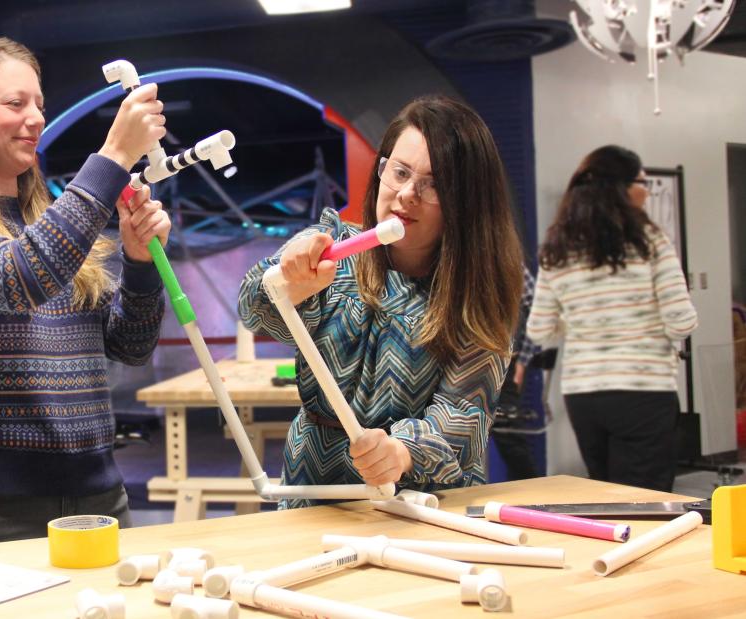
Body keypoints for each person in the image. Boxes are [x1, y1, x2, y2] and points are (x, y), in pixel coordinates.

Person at [0, 37, 171, 546]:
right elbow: (17, 278)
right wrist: (114, 155)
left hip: (98, 496)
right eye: (15, 104)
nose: (36, 118)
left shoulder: (59, 228)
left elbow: (130, 344)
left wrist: (140, 261)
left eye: (40, 104)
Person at [238, 95, 525, 508]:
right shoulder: (334, 249)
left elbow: (462, 414)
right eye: (400, 173)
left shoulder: (475, 290)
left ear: (466, 201)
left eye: (434, 184)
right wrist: (289, 283)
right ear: (382, 169)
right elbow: (252, 306)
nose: (407, 194)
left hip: (423, 503)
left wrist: (401, 451)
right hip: (313, 490)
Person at [527, 145, 697, 492]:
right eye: (642, 182)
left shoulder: (558, 246)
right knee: (646, 502)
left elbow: (540, 329)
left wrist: (583, 319)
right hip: (643, 390)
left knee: (608, 497)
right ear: (621, 188)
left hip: (584, 395)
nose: (647, 191)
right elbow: (681, 322)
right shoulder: (649, 241)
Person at [490, 265, 541, 481]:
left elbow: (535, 309)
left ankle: (532, 501)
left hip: (503, 359)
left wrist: (522, 362)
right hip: (458, 356)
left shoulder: (508, 260)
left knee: (511, 441)